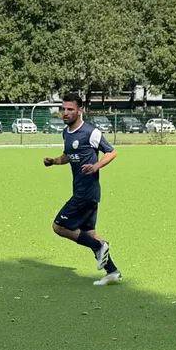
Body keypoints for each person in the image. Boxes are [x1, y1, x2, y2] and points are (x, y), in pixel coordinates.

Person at [44, 93, 121, 285]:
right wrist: (54, 161)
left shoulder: (91, 132)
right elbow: (68, 156)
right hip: (82, 190)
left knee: (59, 226)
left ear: (80, 111)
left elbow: (112, 152)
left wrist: (96, 166)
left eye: (70, 109)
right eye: (64, 109)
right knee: (89, 232)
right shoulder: (66, 133)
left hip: (86, 192)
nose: (65, 113)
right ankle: (112, 271)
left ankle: (99, 246)